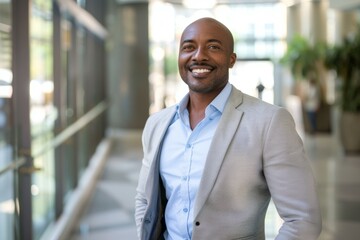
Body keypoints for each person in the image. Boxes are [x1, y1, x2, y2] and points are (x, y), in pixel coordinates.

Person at [135, 17, 322, 240]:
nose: (198, 56)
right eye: (188, 47)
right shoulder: (157, 124)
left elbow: (302, 219)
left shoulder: (269, 122)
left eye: (213, 47)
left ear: (231, 59)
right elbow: (145, 200)